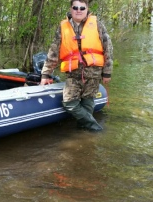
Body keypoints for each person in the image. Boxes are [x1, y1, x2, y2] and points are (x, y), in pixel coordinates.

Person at [40, 0, 113, 131]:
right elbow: (54, 51)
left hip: (94, 72)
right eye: (75, 7)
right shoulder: (63, 27)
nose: (78, 10)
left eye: (82, 7)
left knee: (88, 102)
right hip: (73, 73)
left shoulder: (97, 24)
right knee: (69, 103)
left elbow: (108, 48)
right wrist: (46, 73)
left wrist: (107, 72)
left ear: (87, 9)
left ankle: (84, 133)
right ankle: (96, 128)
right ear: (71, 9)